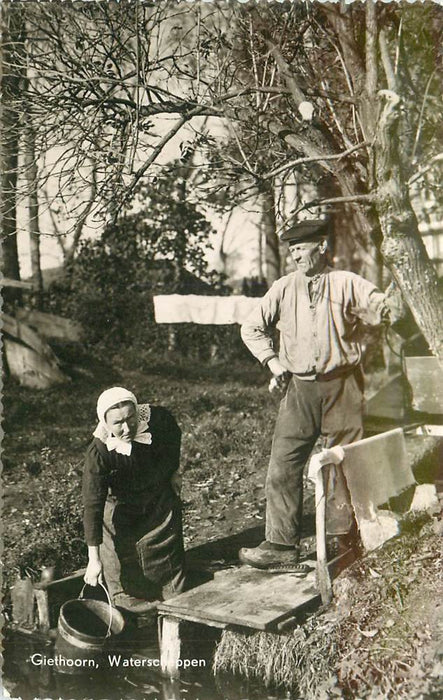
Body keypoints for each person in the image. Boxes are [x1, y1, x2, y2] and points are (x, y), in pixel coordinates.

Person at [239, 219, 396, 571]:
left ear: (321, 247)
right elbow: (250, 326)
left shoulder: (347, 283)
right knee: (283, 462)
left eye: (301, 247)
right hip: (299, 388)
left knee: (344, 463)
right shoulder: (283, 287)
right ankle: (280, 545)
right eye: (291, 248)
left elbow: (382, 308)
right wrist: (275, 364)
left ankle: (346, 543)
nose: (294, 254)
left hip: (342, 385)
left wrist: (390, 302)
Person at [82, 387, 186, 613]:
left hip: (157, 497)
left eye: (131, 418)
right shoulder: (99, 452)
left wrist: (172, 472)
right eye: (118, 423)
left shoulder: (158, 420)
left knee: (167, 564)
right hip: (121, 505)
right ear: (105, 423)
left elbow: (172, 441)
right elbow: (92, 505)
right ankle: (129, 609)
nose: (127, 428)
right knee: (122, 566)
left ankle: (174, 603)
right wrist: (93, 559)